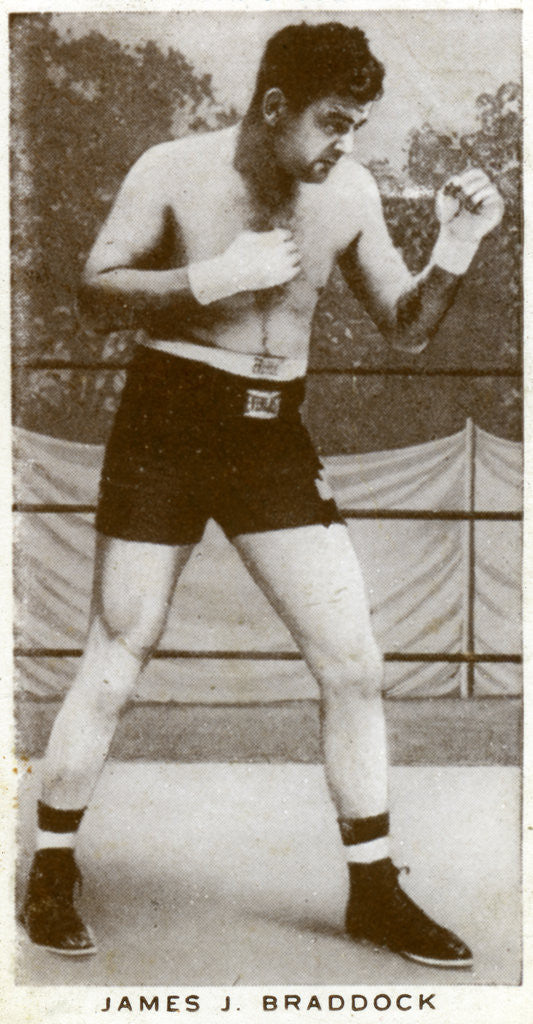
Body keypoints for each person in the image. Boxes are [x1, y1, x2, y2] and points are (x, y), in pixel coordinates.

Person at [21, 21, 504, 967]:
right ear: (274, 105)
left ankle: (373, 892)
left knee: (354, 662)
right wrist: (209, 279)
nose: (346, 146)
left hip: (271, 434)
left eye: (359, 125)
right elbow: (92, 290)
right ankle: (50, 867)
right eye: (333, 122)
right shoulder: (173, 168)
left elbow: (403, 329)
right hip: (168, 419)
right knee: (121, 647)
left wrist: (453, 247)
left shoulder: (351, 192)